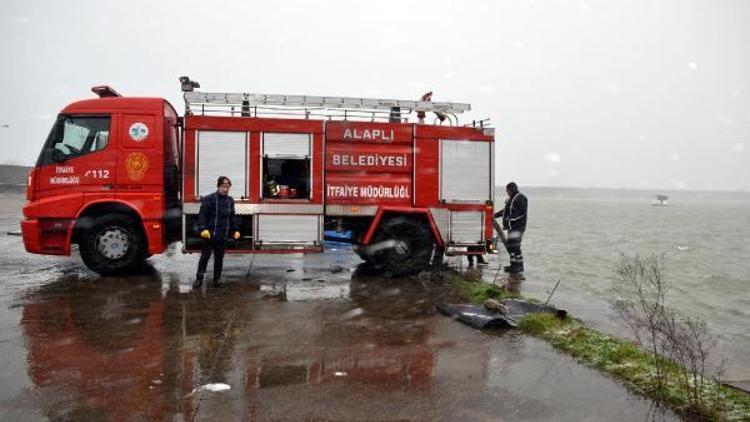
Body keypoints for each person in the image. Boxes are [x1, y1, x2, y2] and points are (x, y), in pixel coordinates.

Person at [194, 176, 240, 289]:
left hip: (222, 235)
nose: (225, 189)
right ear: (218, 186)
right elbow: (202, 216)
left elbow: (232, 217)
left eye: (227, 187)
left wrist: (235, 230)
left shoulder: (230, 201)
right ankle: (199, 279)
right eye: (223, 187)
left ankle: (217, 280)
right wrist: (203, 229)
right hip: (209, 235)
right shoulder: (209, 199)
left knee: (219, 259)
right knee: (205, 257)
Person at [494, 182, 528, 279]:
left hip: (518, 227)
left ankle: (519, 267)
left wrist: (510, 219)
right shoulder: (512, 199)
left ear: (511, 189)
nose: (507, 192)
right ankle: (513, 265)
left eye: (507, 190)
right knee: (511, 246)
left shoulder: (521, 198)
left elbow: (522, 213)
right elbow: (505, 211)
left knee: (516, 246)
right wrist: (495, 215)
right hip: (511, 227)